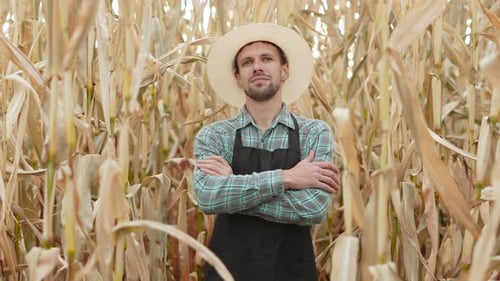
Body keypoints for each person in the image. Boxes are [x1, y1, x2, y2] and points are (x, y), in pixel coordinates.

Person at [193, 23, 340, 281]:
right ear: (238, 78)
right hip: (227, 273)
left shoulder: (314, 133)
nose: (257, 66)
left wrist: (232, 187)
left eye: (267, 59)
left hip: (292, 272)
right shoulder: (215, 135)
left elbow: (312, 208)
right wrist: (288, 178)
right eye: (247, 62)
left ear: (284, 71)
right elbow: (208, 199)